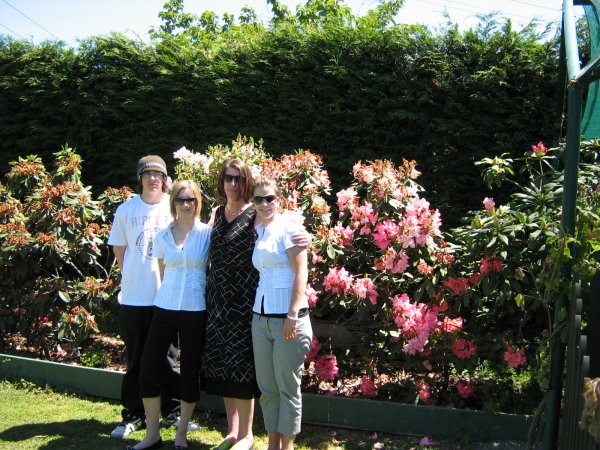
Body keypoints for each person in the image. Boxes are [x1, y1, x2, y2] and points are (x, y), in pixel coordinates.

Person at [204, 160, 310, 450]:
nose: (233, 183)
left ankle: (266, 439)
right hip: (238, 308)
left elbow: (297, 260)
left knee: (272, 381)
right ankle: (252, 436)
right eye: (228, 178)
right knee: (249, 378)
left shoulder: (267, 220)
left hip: (263, 308)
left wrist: (307, 237)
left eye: (239, 179)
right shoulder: (233, 218)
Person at [108, 156, 196, 438]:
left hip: (166, 298)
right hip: (134, 298)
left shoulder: (173, 206)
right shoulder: (126, 210)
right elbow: (119, 249)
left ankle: (172, 412)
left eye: (158, 174)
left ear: (165, 179)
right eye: (148, 175)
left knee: (168, 358)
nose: (153, 179)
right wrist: (135, 276)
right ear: (140, 179)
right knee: (136, 358)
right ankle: (133, 414)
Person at [127, 180, 211, 450]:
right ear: (173, 202)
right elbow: (163, 272)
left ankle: (181, 435)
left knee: (189, 372)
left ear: (198, 203)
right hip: (165, 307)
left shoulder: (207, 234)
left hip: (195, 309)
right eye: (181, 200)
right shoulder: (163, 235)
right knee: (148, 368)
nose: (186, 204)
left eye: (191, 200)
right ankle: (152, 435)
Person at [250, 176, 312, 450]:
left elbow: (301, 272)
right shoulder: (260, 229)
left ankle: (287, 446)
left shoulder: (290, 229)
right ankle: (272, 443)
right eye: (258, 199)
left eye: (270, 198)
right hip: (260, 319)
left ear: (279, 200)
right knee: (268, 388)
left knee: (287, 388)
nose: (264, 204)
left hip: (288, 320)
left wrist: (292, 315)